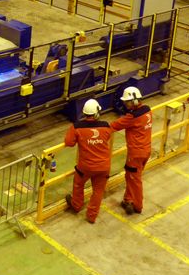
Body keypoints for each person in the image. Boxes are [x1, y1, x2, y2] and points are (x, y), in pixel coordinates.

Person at [64, 98, 114, 224]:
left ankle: (76, 205)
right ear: (97, 113)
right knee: (98, 191)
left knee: (78, 184)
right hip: (103, 167)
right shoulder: (106, 126)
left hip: (85, 167)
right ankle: (91, 216)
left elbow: (69, 143)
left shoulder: (77, 128)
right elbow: (108, 136)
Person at [110, 86, 152, 215]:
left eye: (127, 102)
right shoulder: (147, 111)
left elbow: (114, 126)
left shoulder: (132, 117)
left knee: (135, 180)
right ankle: (128, 199)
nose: (125, 104)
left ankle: (138, 206)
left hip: (135, 154)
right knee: (131, 177)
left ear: (134, 101)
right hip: (146, 151)